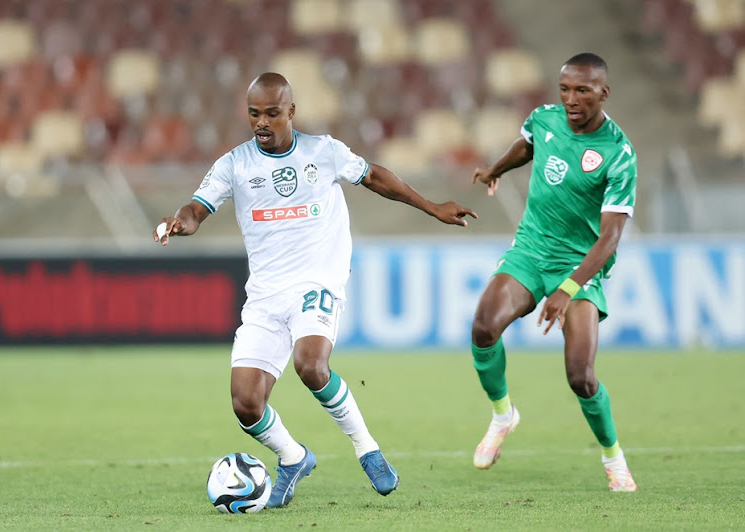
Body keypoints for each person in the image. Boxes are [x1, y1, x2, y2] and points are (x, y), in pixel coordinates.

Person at [154, 72, 477, 508]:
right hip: (266, 294)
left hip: (317, 279)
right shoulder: (235, 163)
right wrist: (181, 222)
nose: (262, 122)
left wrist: (433, 207)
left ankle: (367, 449)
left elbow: (376, 177)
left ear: (291, 111)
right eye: (254, 114)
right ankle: (293, 457)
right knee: (246, 402)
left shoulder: (322, 151)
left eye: (271, 113)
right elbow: (197, 208)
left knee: (311, 364)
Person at [469, 53, 637, 492]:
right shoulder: (544, 119)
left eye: (582, 90)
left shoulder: (618, 154)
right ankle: (503, 414)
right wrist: (495, 169)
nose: (571, 99)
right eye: (565, 89)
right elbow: (527, 146)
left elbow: (609, 239)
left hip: (580, 265)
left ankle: (612, 456)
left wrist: (567, 288)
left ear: (604, 92)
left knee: (580, 375)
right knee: (484, 327)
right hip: (531, 249)